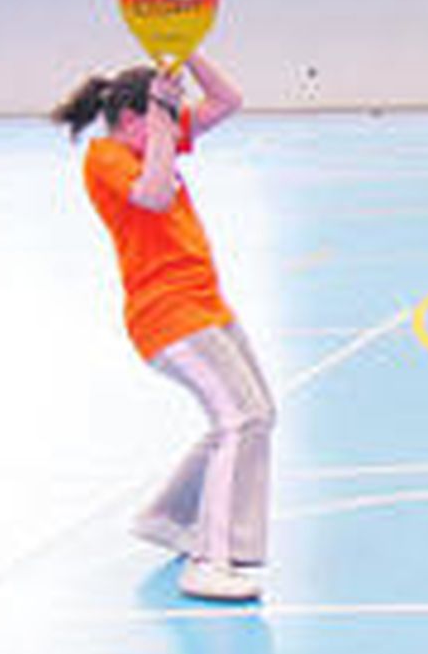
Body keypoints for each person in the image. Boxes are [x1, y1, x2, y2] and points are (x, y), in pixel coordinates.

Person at [52, 55, 274, 602]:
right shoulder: (105, 158)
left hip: (208, 305)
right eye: (162, 119)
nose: (177, 129)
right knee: (239, 420)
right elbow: (153, 195)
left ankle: (169, 519)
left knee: (257, 414)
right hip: (167, 314)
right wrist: (161, 114)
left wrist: (187, 50)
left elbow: (228, 102)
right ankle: (208, 560)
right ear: (132, 119)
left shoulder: (156, 141)